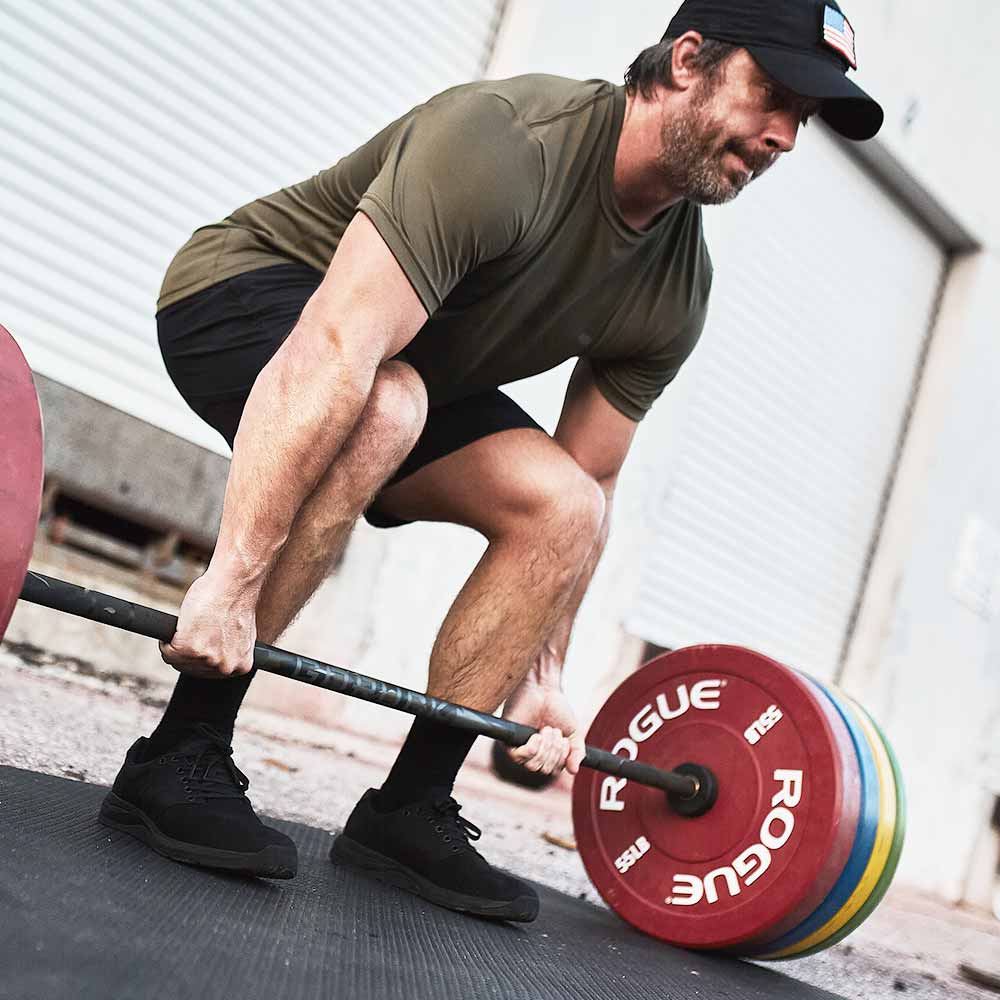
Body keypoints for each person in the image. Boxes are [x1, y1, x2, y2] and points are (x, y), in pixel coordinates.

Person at [99, 0, 882, 922]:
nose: (787, 135)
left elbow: (588, 477)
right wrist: (228, 583)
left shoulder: (677, 286)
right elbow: (336, 344)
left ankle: (411, 806)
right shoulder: (509, 141)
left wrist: (546, 681)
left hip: (403, 367)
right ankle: (179, 749)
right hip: (244, 298)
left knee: (562, 507)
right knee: (386, 404)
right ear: (686, 59)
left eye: (807, 116)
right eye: (775, 95)